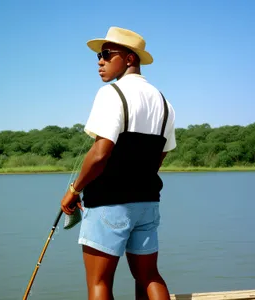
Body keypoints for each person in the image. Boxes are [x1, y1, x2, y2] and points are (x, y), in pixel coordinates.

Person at [61, 26, 176, 300]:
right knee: (149, 276)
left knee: (99, 282)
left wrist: (74, 190)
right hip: (147, 203)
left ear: (129, 59)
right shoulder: (165, 103)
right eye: (99, 56)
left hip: (108, 204)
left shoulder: (111, 94)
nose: (100, 61)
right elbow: (161, 155)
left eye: (106, 54)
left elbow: (101, 152)